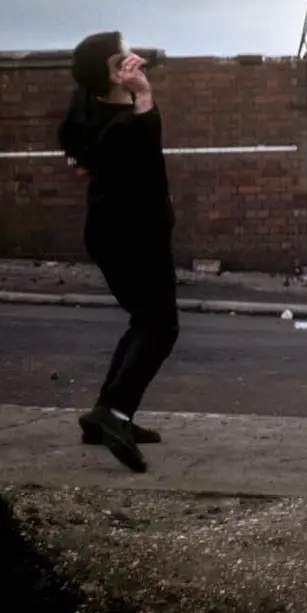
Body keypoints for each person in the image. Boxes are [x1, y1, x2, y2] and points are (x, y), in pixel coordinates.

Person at [57, 33, 180, 474]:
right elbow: (149, 157)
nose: (134, 59)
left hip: (112, 231)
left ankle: (104, 413)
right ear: (112, 75)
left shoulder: (89, 110)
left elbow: (76, 142)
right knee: (162, 326)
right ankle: (116, 414)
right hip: (135, 235)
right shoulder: (126, 123)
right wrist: (144, 95)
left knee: (144, 321)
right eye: (123, 58)